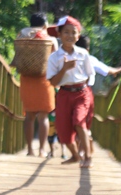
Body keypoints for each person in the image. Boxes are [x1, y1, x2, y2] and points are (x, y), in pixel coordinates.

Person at [46, 16, 95, 168]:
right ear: (59, 35)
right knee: (63, 131)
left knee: (80, 123)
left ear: (78, 36)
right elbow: (53, 82)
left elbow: (90, 74)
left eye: (73, 32)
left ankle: (87, 157)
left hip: (81, 93)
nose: (70, 36)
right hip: (64, 93)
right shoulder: (54, 58)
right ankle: (75, 156)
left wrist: (86, 91)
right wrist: (65, 69)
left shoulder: (83, 54)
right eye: (66, 32)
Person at [75, 35, 121, 155]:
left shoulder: (67, 57)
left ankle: (82, 148)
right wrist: (118, 70)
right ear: (87, 48)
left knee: (75, 122)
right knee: (83, 121)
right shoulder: (89, 58)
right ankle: (85, 145)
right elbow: (107, 70)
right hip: (85, 93)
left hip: (69, 92)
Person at [17, 12, 58, 157]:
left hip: (26, 78)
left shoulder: (22, 34)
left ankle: (29, 150)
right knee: (43, 117)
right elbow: (56, 60)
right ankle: (41, 150)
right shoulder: (51, 39)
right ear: (45, 24)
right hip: (44, 79)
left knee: (29, 116)